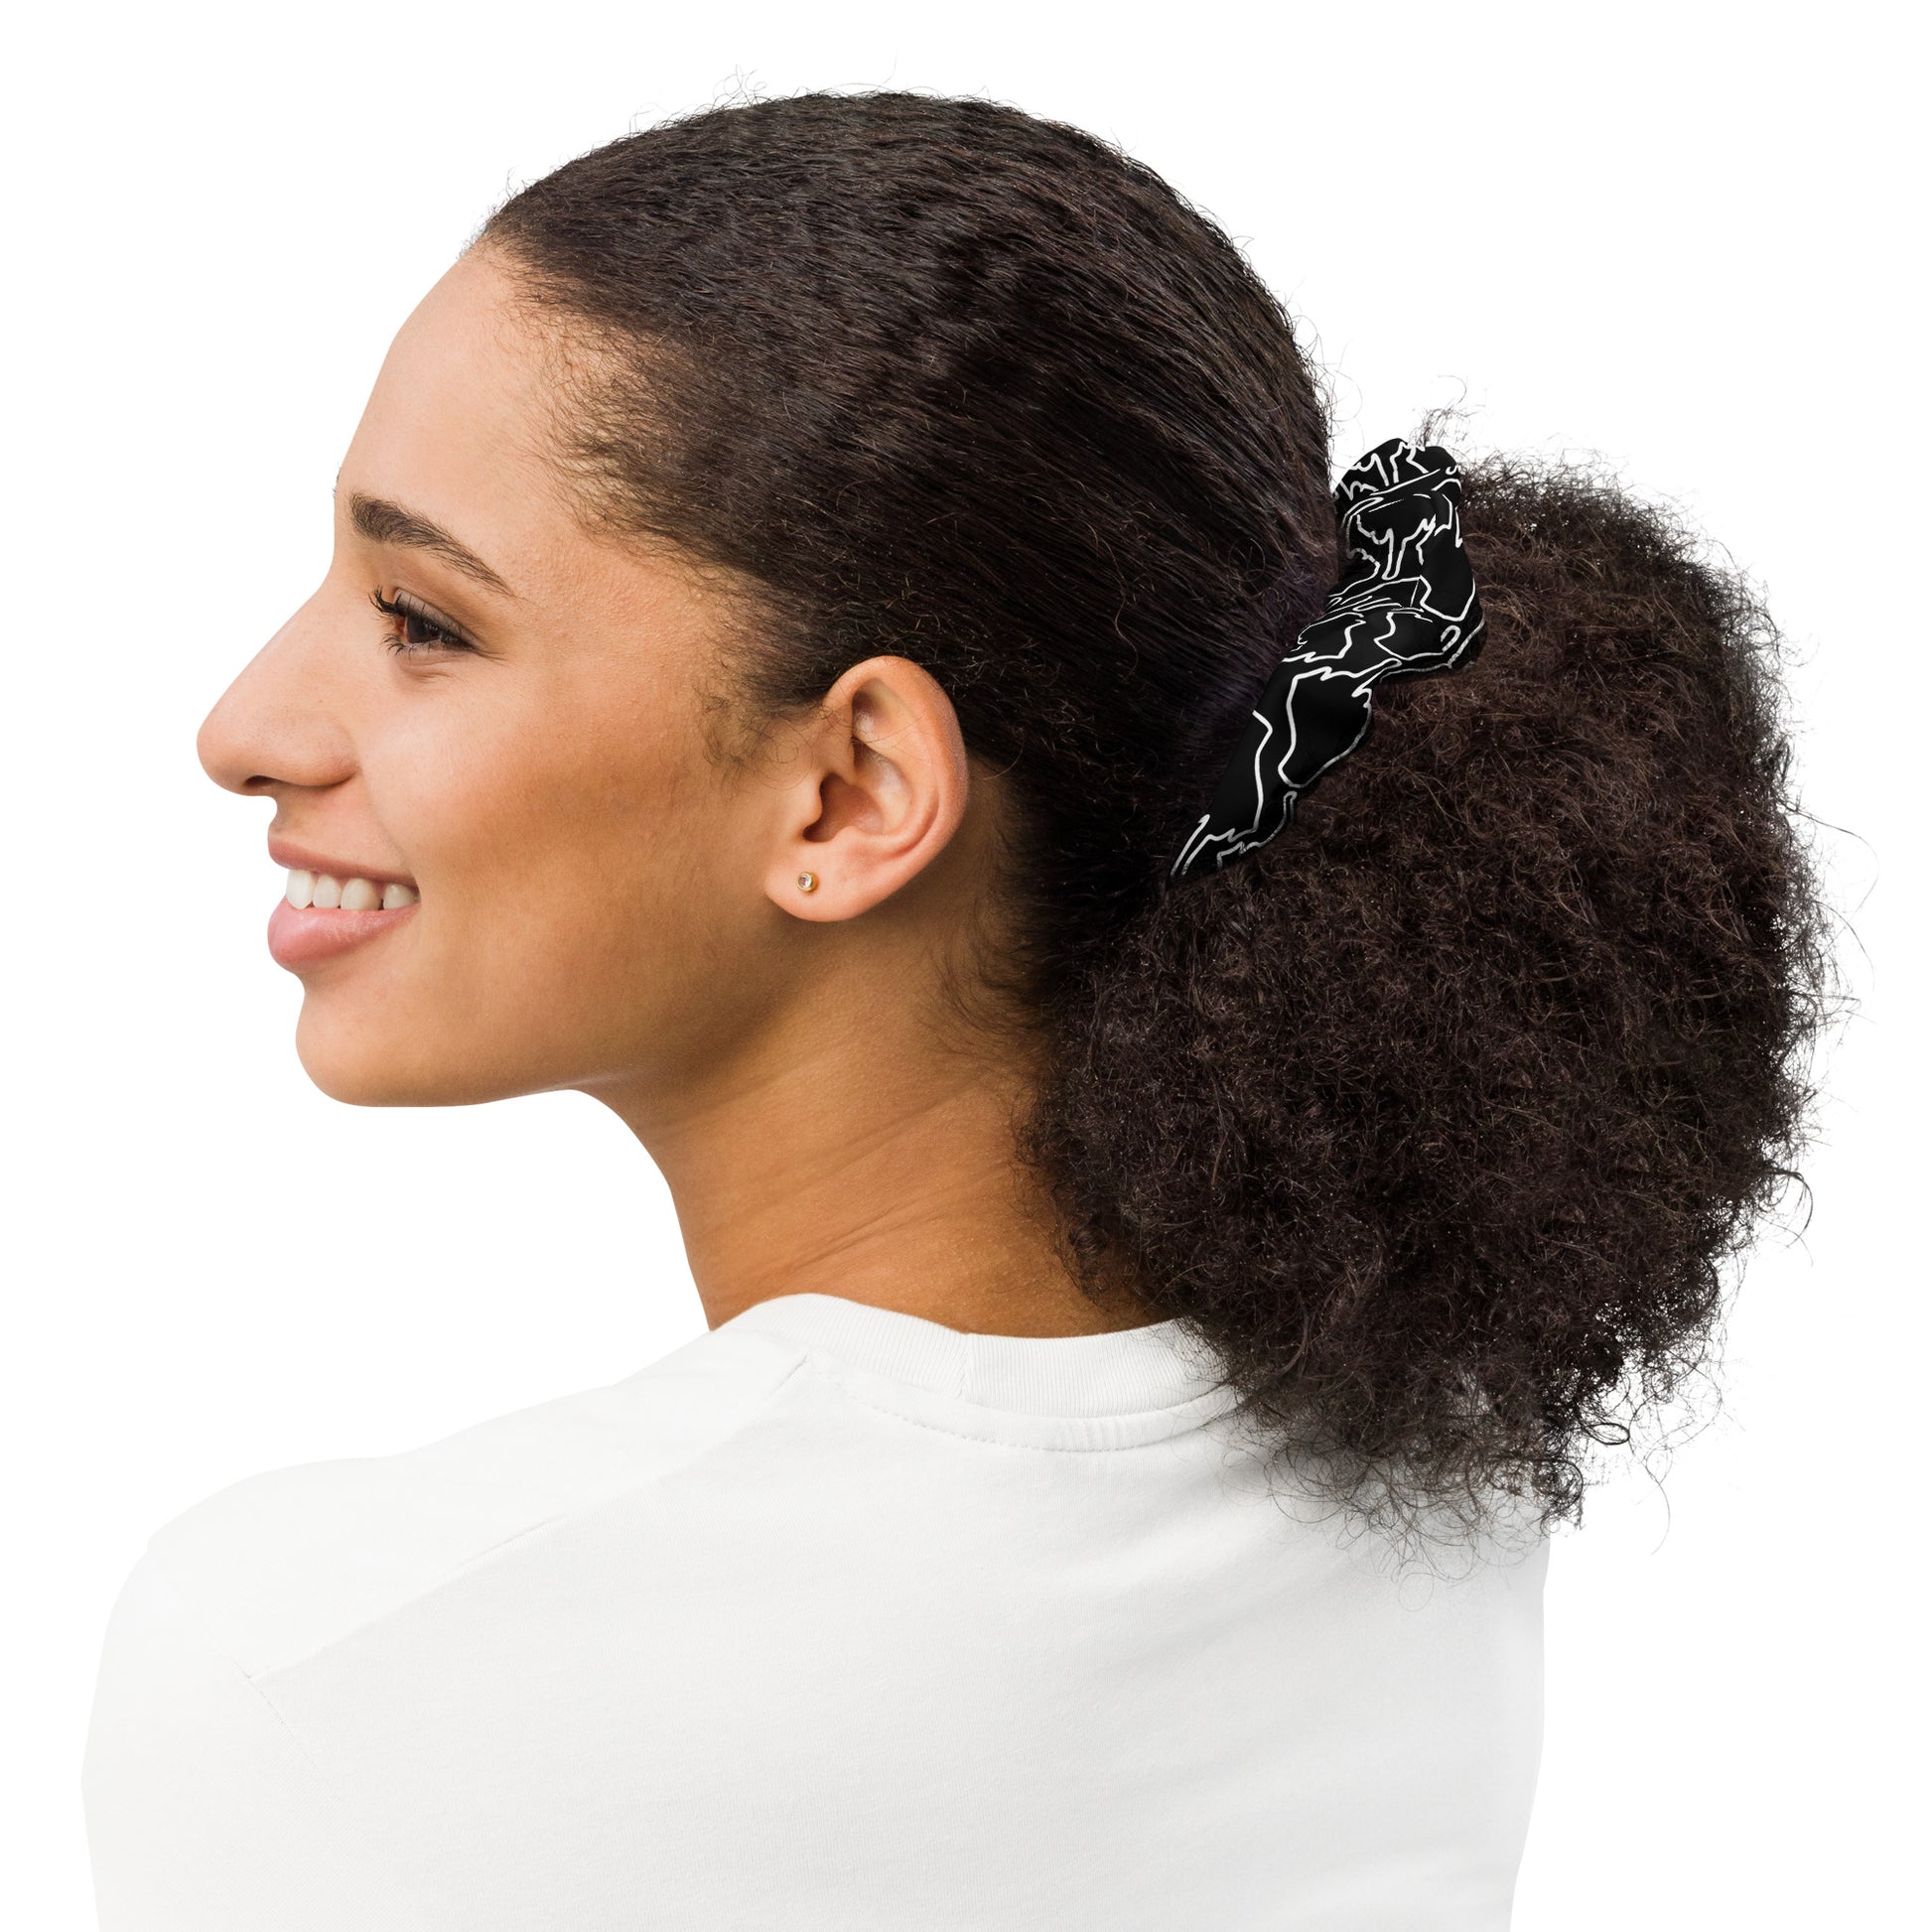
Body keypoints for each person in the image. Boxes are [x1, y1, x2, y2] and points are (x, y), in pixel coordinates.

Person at [79, 91, 1827, 1930]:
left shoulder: (316, 1667)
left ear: (848, 793)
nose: (245, 725)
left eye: (423, 619)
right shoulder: (1433, 1469)